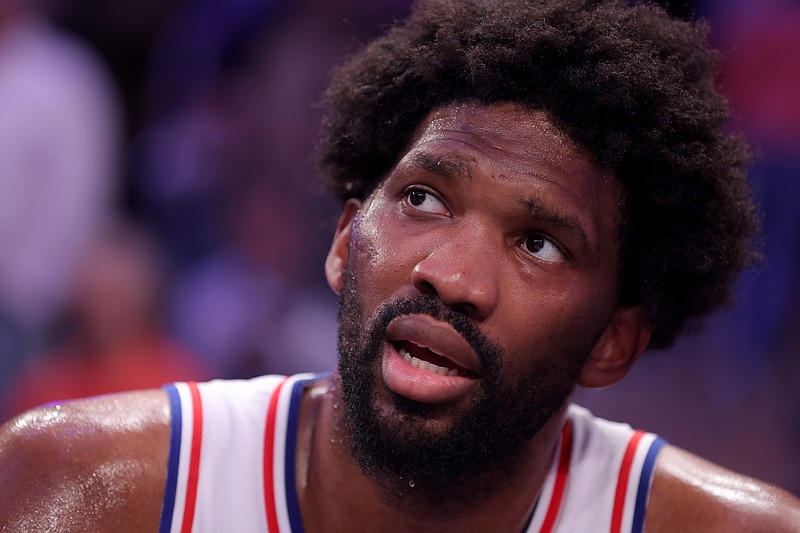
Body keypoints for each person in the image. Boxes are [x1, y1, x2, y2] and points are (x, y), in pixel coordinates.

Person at [1, 0, 799, 531]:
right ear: (347, 242)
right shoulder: (84, 487)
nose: (452, 276)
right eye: (423, 198)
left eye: (539, 243)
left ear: (613, 342)